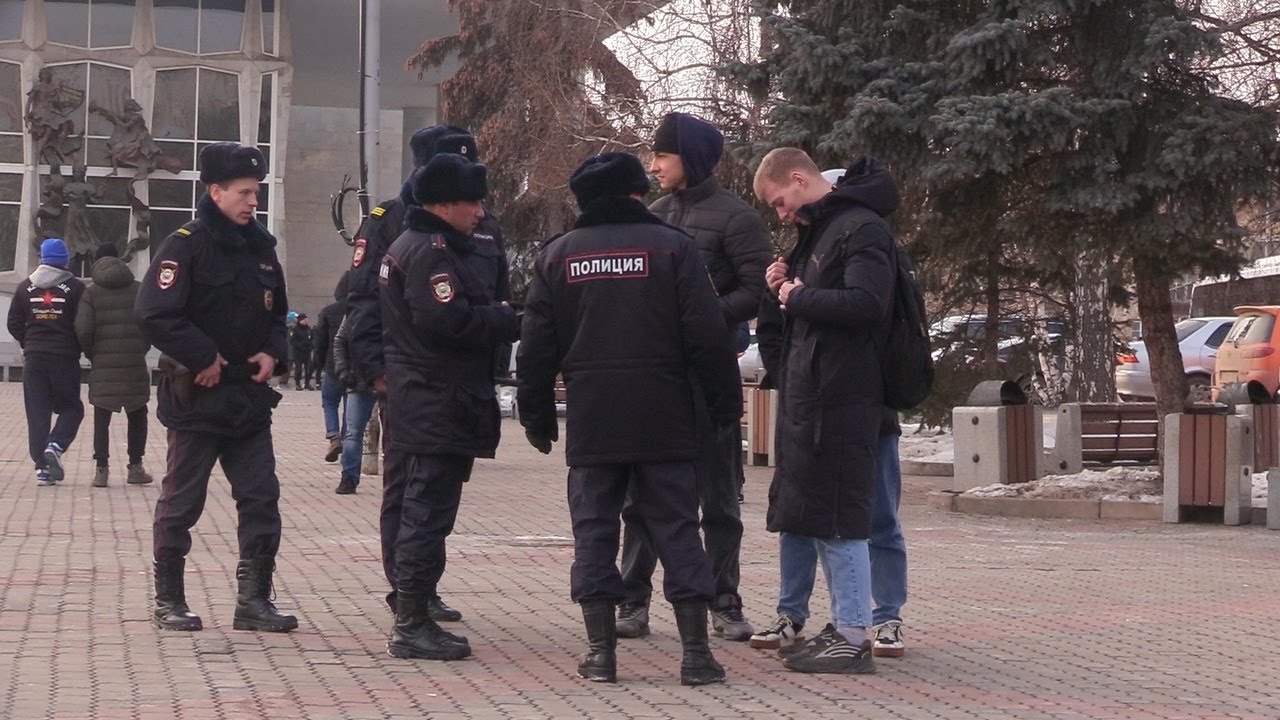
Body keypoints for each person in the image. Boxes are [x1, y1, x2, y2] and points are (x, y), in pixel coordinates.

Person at [517, 153, 741, 685]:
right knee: (679, 530)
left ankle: (601, 654)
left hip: (594, 420)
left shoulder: (559, 256)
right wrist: (723, 406)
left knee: (593, 531)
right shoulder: (674, 249)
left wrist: (537, 415)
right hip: (665, 417)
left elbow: (536, 348)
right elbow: (708, 337)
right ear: (637, 194)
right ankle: (696, 656)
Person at [615, 113, 772, 641]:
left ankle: (724, 599)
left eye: (663, 155)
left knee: (720, 499)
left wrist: (704, 319)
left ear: (693, 158)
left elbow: (757, 290)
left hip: (709, 380)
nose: (653, 165)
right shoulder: (652, 216)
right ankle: (631, 598)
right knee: (641, 499)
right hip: (654, 382)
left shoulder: (738, 219)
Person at [135, 141, 297, 634]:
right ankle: (170, 600)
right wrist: (202, 355)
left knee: (261, 499)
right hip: (198, 398)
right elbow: (154, 313)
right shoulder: (186, 244)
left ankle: (254, 600)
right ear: (215, 191)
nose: (253, 201)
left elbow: (276, 315)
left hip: (248, 400)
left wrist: (274, 352)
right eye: (244, 192)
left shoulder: (262, 248)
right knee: (183, 503)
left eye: (257, 192)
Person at [346, 124, 505, 622]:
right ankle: (408, 595)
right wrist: (375, 371)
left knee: (436, 499)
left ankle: (420, 591)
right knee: (411, 493)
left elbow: (493, 291)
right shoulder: (391, 223)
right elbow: (365, 303)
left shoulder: (481, 227)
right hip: (415, 379)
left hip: (459, 382)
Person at [749, 149, 897, 675]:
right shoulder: (824, 230)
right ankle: (841, 627)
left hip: (841, 399)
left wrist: (798, 295)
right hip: (815, 398)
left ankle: (853, 634)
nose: (782, 214)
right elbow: (807, 310)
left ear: (799, 178)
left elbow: (866, 304)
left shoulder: (859, 228)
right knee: (818, 519)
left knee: (839, 523)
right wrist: (782, 291)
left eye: (781, 202)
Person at [380, 153, 519, 661]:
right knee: (424, 511)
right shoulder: (428, 251)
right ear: (442, 204)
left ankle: (414, 614)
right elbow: (448, 322)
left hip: (440, 400)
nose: (480, 212)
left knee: (431, 512)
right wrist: (504, 319)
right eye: (472, 201)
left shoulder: (431, 245)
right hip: (433, 399)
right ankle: (411, 622)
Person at [7, 238, 86, 486]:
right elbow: (82, 324)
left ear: (42, 259)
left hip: (34, 358)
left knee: (37, 412)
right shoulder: (76, 288)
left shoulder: (23, 288)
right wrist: (78, 345)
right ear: (65, 260)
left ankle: (42, 467)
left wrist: (28, 342)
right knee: (72, 408)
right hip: (65, 357)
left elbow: (13, 323)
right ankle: (56, 445)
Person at [75, 243, 154, 488]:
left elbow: (83, 329)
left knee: (102, 414)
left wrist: (92, 353)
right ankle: (135, 466)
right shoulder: (139, 290)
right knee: (138, 412)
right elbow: (150, 322)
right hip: (134, 361)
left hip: (102, 361)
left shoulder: (91, 293)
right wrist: (141, 347)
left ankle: (102, 469)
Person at [331, 315, 377, 495]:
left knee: (397, 433)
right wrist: (342, 369)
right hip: (361, 379)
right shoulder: (356, 309)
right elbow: (340, 340)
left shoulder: (394, 300)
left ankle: (400, 478)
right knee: (353, 432)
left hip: (389, 378)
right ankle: (349, 477)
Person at [314, 272, 349, 464]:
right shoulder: (360, 309)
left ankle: (334, 436)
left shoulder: (328, 311)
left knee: (329, 403)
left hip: (331, 365)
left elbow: (319, 341)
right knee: (349, 406)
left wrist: (321, 364)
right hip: (354, 368)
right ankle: (346, 438)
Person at [289, 314, 314, 390]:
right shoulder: (295, 329)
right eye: (304, 320)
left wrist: (311, 346)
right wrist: (300, 346)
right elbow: (292, 341)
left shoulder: (309, 329)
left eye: (306, 320)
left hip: (307, 352)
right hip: (298, 352)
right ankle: (297, 384)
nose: (305, 321)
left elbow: (312, 339)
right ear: (300, 320)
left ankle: (307, 383)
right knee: (298, 368)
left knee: (308, 368)